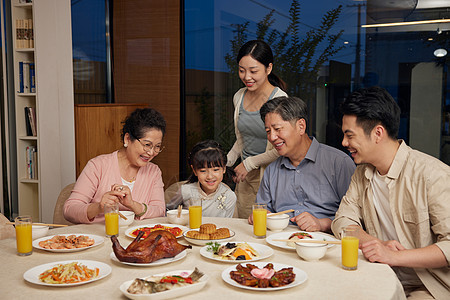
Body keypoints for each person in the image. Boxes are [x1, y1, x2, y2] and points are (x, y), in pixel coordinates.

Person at [331, 86, 450, 299]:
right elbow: (341, 221)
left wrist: (394, 256)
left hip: (427, 286)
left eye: (349, 135)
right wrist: (374, 244)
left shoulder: (432, 174)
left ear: (378, 133)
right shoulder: (361, 174)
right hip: (377, 274)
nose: (344, 143)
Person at [249, 96, 356, 232]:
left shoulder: (339, 163)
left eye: (277, 129)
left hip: (326, 244)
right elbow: (262, 210)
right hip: (280, 242)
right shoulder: (272, 170)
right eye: (268, 131)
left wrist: (321, 224)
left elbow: (356, 220)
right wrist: (258, 216)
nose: (272, 137)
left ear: (301, 126)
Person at [64, 108, 167, 223]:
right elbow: (69, 209)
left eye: (157, 146)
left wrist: (132, 205)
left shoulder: (153, 171)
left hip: (137, 237)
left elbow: (160, 210)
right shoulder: (98, 166)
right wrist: (99, 207)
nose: (151, 152)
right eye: (147, 145)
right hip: (100, 237)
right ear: (127, 139)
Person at [227, 40, 288, 219]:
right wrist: (226, 161)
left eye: (253, 71)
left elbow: (283, 146)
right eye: (241, 70)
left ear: (268, 68)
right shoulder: (239, 96)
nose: (247, 77)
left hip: (272, 176)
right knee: (243, 229)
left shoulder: (280, 99)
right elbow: (242, 138)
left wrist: (249, 163)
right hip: (246, 177)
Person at [167, 140, 237, 218]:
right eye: (203, 171)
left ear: (224, 168)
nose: (210, 176)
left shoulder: (229, 196)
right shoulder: (186, 191)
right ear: (194, 170)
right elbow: (168, 212)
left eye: (216, 170)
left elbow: (227, 224)